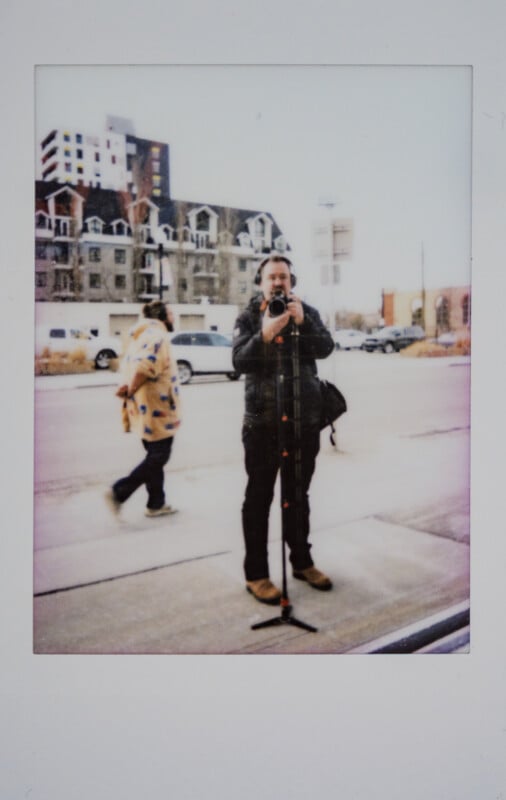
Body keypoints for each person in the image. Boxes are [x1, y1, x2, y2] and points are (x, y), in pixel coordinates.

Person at [232, 254, 335, 605]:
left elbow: (326, 348)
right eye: (271, 277)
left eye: (284, 277)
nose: (278, 282)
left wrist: (304, 323)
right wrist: (266, 332)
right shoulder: (248, 316)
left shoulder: (306, 311)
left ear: (292, 281)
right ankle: (256, 574)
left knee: (298, 497)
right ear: (261, 282)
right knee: (259, 499)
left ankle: (302, 563)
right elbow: (238, 362)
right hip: (262, 426)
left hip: (303, 424)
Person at [105, 300, 181, 518]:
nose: (174, 317)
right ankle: (119, 492)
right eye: (171, 313)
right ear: (162, 316)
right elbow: (143, 367)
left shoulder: (142, 336)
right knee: (159, 456)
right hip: (157, 410)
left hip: (145, 408)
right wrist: (130, 390)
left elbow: (132, 367)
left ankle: (156, 503)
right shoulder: (157, 336)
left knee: (154, 456)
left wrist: (129, 388)